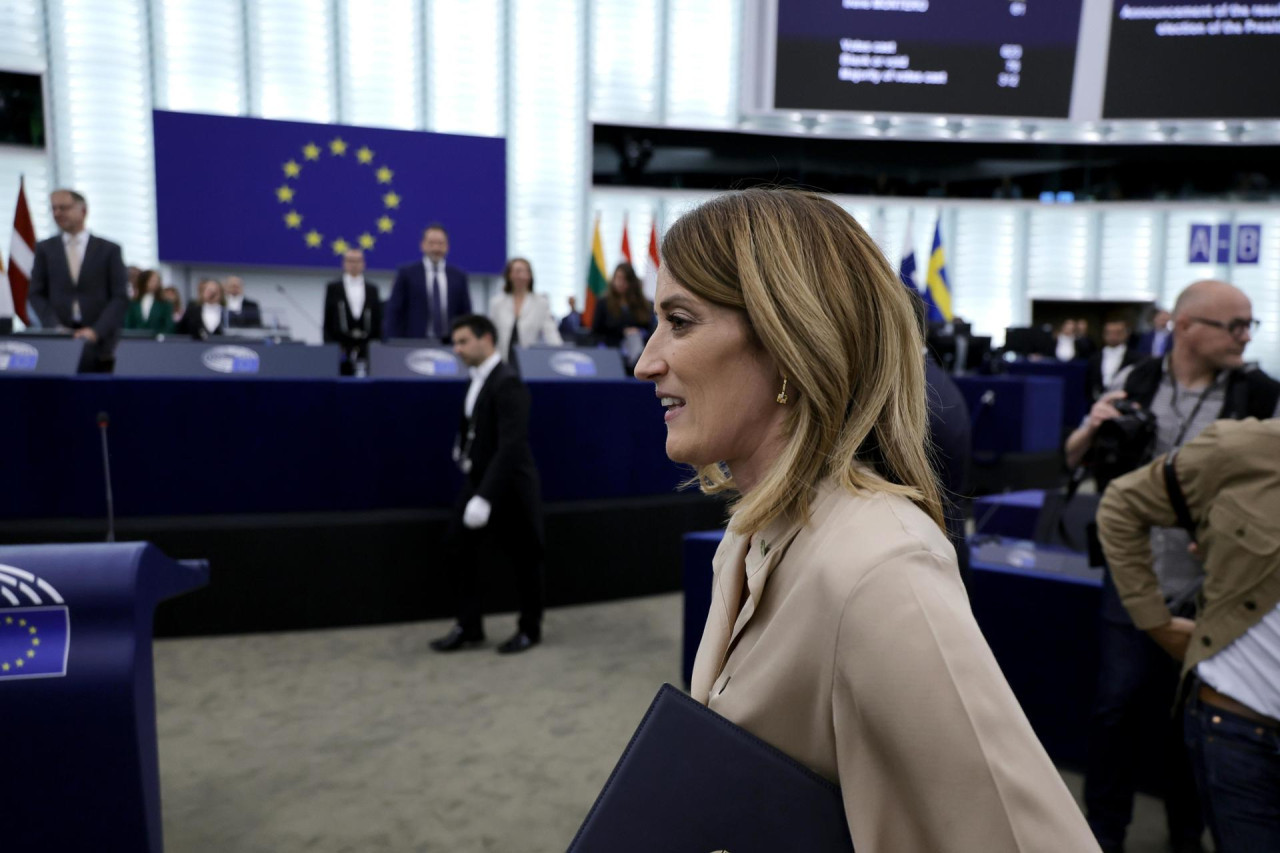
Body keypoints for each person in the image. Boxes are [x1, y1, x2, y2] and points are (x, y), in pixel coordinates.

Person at [633, 188, 1099, 850]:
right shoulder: (750, 532)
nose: (646, 360)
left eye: (680, 321)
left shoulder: (879, 565)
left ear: (787, 341)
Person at [1064, 279, 1279, 853]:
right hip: (1133, 571)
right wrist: (1093, 426)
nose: (1244, 336)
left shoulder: (1259, 396)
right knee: (1115, 711)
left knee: (1197, 721)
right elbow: (1078, 462)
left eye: (1248, 325)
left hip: (1219, 590)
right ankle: (1101, 834)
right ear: (1185, 328)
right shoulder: (1135, 379)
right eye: (1233, 324)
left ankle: (1187, 835)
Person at [1097, 417, 1280, 853]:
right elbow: (1122, 504)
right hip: (1241, 722)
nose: (1240, 341)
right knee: (1117, 710)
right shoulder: (1249, 446)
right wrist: (1153, 619)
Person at [430, 314, 544, 656]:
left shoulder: (508, 381)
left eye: (463, 341)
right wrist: (462, 445)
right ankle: (469, 625)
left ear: (486, 339)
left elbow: (511, 444)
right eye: (456, 341)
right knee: (457, 546)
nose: (457, 348)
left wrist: (483, 497)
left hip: (509, 484)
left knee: (526, 556)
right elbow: (474, 422)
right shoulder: (477, 378)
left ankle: (529, 629)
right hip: (480, 479)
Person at [27, 189, 129, 372]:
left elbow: (120, 297)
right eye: (54, 209)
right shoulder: (45, 249)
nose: (57, 213)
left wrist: (96, 331)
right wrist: (55, 328)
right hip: (58, 343)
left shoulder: (109, 250)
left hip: (102, 346)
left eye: (63, 208)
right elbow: (36, 294)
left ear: (83, 211)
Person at [385, 223, 471, 341]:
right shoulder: (406, 274)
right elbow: (394, 311)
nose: (436, 248)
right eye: (431, 243)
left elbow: (465, 314)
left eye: (440, 244)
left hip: (450, 344)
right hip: (413, 342)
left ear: (447, 246)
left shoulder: (458, 277)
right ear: (423, 245)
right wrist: (392, 342)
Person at [489, 257, 561, 363]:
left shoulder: (541, 302)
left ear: (530, 276)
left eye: (525, 271)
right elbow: (491, 334)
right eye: (517, 271)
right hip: (502, 360)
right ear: (509, 275)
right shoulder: (497, 302)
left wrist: (559, 353)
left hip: (529, 360)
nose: (521, 275)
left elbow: (551, 333)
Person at [323, 248, 383, 375]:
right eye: (350, 261)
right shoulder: (333, 288)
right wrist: (330, 347)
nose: (354, 265)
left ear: (363, 264)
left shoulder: (372, 289)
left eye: (357, 261)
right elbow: (327, 319)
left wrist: (376, 346)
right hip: (341, 346)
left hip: (366, 346)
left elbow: (378, 320)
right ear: (344, 263)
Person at [592, 262, 654, 369]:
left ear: (631, 282)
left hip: (640, 354)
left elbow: (651, 329)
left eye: (624, 279)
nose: (620, 283)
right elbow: (595, 331)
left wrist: (639, 332)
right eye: (618, 278)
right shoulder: (603, 303)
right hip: (612, 355)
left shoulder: (644, 304)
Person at [1086, 316, 1141, 402]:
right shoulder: (1094, 358)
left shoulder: (1137, 359)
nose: (1113, 336)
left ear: (1126, 334)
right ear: (1104, 335)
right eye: (1109, 333)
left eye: (1118, 333)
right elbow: (1089, 386)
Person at [124, 269, 175, 334]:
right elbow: (127, 325)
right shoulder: (133, 304)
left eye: (157, 281)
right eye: (152, 280)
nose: (155, 283)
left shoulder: (165, 304)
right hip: (135, 340)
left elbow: (169, 327)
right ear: (144, 281)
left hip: (158, 342)